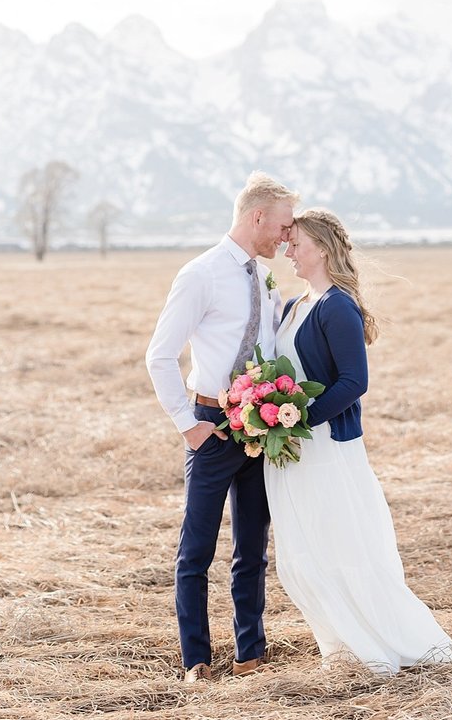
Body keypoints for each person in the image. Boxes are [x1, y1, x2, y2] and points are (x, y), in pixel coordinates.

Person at [264, 208, 452, 675]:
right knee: (305, 550)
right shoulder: (299, 303)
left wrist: (300, 421)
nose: (288, 250)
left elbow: (354, 381)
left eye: (295, 242)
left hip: (324, 447)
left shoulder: (337, 305)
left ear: (321, 247)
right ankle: (340, 644)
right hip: (291, 449)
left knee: (341, 544)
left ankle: (378, 643)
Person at [145, 171, 299, 685]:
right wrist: (189, 426)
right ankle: (196, 662)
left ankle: (250, 653)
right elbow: (160, 355)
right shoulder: (201, 274)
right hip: (211, 423)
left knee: (252, 547)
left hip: (260, 428)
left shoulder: (262, 276)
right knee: (197, 550)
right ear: (257, 217)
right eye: (282, 225)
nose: (286, 235)